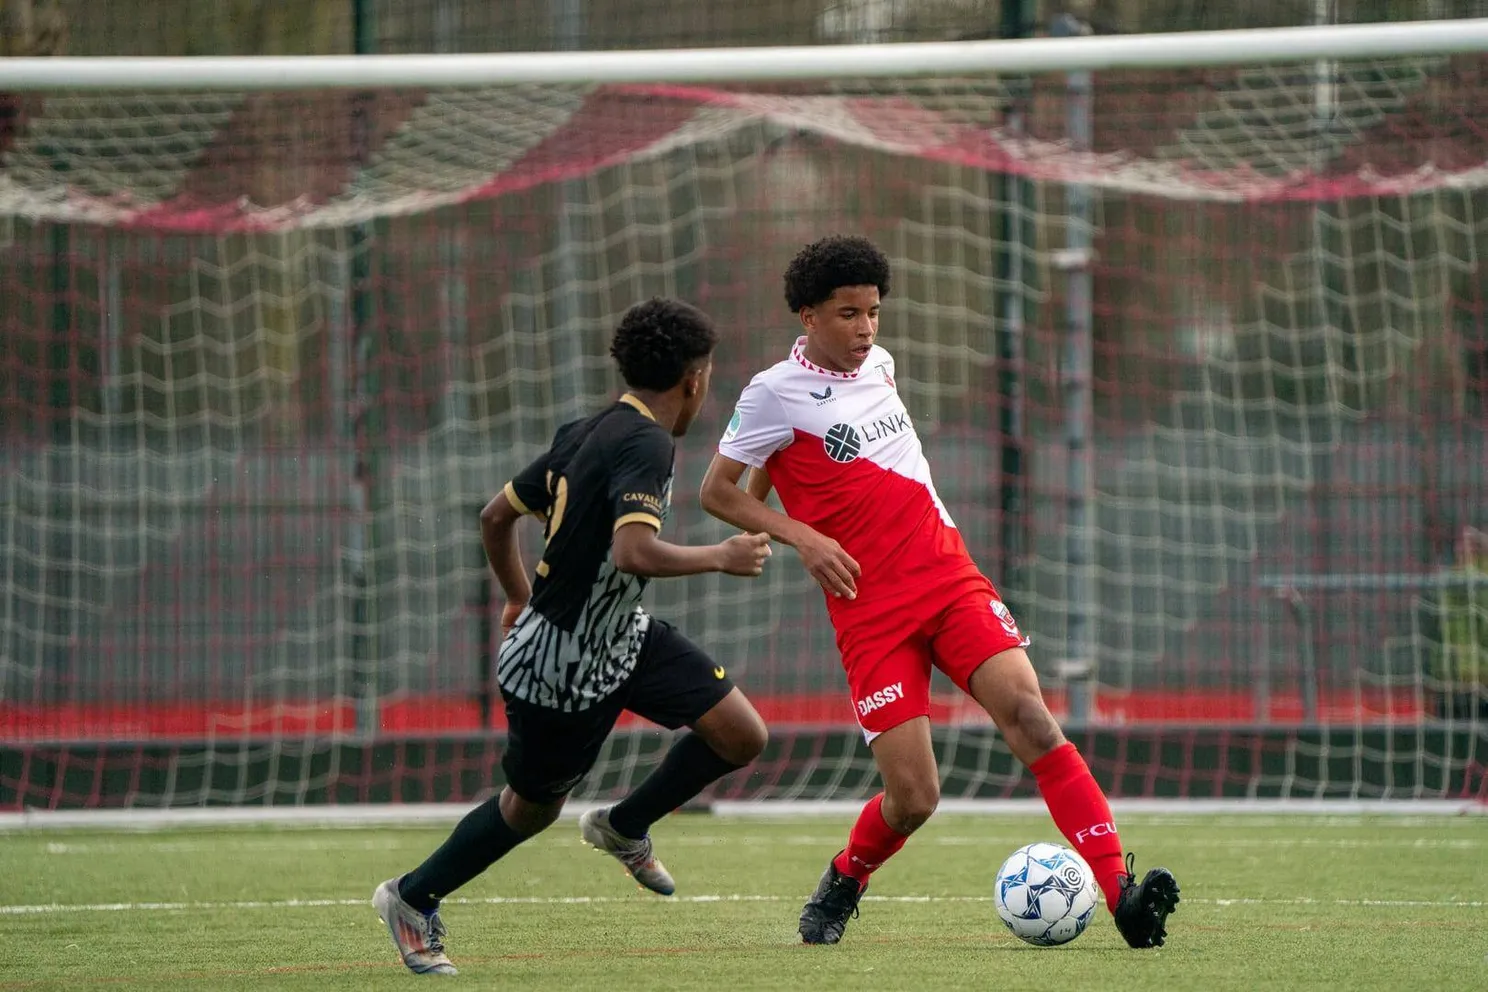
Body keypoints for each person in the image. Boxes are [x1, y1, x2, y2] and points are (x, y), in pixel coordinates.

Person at [699, 235, 1179, 948]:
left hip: (950, 580)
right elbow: (717, 491)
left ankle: (1122, 899)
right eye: (848, 314)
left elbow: (785, 462)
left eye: (873, 312)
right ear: (808, 316)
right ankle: (845, 877)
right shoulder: (772, 391)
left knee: (1032, 718)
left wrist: (791, 512)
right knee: (915, 797)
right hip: (871, 614)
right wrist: (801, 535)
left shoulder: (882, 365)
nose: (865, 328)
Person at [375, 298, 773, 975]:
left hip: (623, 637)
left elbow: (495, 517)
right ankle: (411, 898)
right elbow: (632, 553)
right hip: (560, 666)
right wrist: (721, 555)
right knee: (529, 811)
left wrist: (516, 596)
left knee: (740, 735)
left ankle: (624, 825)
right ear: (695, 380)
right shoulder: (647, 443)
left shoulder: (588, 429)